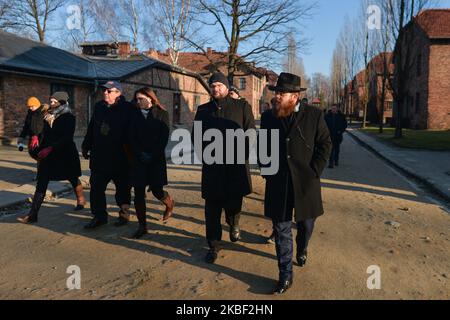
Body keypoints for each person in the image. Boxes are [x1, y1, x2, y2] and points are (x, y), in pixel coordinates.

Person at [259, 73, 332, 294]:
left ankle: (303, 247)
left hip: (305, 183)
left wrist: (314, 171)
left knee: (306, 225)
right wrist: (267, 170)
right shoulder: (269, 117)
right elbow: (264, 146)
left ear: (295, 96)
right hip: (278, 183)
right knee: (281, 229)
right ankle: (285, 275)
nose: (277, 96)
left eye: (282, 93)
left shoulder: (314, 115)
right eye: (276, 92)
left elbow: (325, 144)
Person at [193, 72, 256, 264]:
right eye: (212, 86)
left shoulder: (242, 106)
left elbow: (251, 133)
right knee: (211, 210)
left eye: (219, 85)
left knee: (233, 204)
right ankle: (213, 245)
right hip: (212, 169)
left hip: (235, 167)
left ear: (227, 88)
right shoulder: (203, 110)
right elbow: (197, 136)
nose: (215, 88)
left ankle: (234, 223)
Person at [17, 92, 85, 224]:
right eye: (51, 101)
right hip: (48, 154)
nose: (51, 104)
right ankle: (33, 215)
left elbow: (66, 137)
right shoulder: (47, 116)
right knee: (42, 181)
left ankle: (81, 198)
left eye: (54, 102)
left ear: (62, 102)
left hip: (65, 153)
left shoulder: (69, 117)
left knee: (72, 177)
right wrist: (37, 140)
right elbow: (41, 130)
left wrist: (51, 148)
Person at [82, 81, 133, 229]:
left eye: (109, 91)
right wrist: (86, 145)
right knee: (96, 188)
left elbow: (133, 133)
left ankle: (124, 214)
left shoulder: (128, 109)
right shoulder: (99, 107)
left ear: (118, 93)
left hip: (120, 157)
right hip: (100, 156)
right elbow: (92, 127)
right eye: (104, 90)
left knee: (122, 189)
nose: (105, 93)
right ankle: (99, 216)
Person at [128, 87, 175, 239]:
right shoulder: (133, 115)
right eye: (136, 99)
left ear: (150, 98)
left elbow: (164, 137)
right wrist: (139, 153)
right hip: (139, 159)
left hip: (156, 159)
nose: (138, 102)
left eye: (141, 98)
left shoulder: (162, 114)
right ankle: (142, 226)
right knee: (139, 194)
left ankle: (169, 204)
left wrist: (152, 154)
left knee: (157, 191)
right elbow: (131, 137)